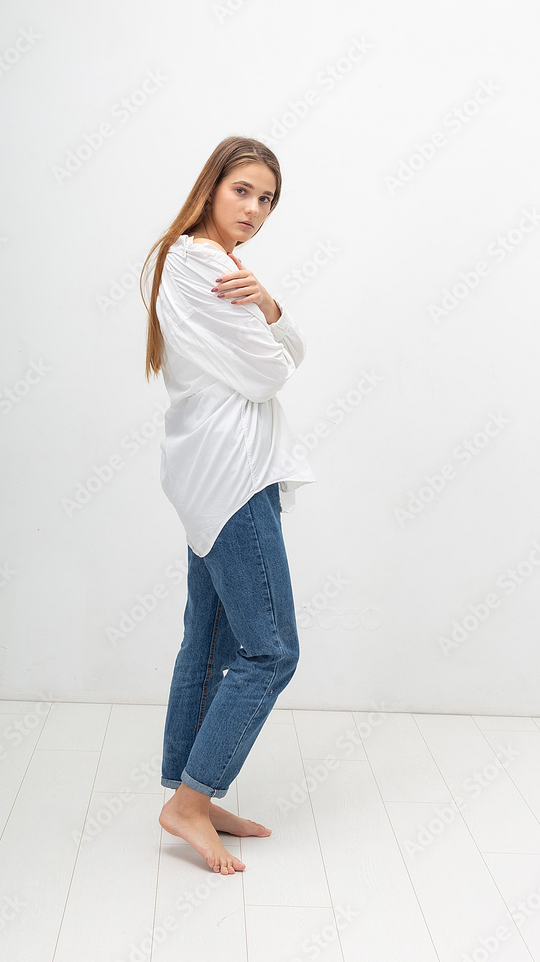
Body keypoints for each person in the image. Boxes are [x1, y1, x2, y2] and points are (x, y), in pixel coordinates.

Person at [140, 135, 316, 875]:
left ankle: (194, 798)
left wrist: (270, 304)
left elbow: (286, 349)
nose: (253, 208)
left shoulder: (225, 268)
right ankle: (190, 798)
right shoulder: (196, 262)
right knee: (271, 650)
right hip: (231, 477)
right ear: (211, 186)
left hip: (222, 474)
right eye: (242, 189)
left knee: (210, 642)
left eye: (266, 198)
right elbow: (269, 373)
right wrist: (270, 330)